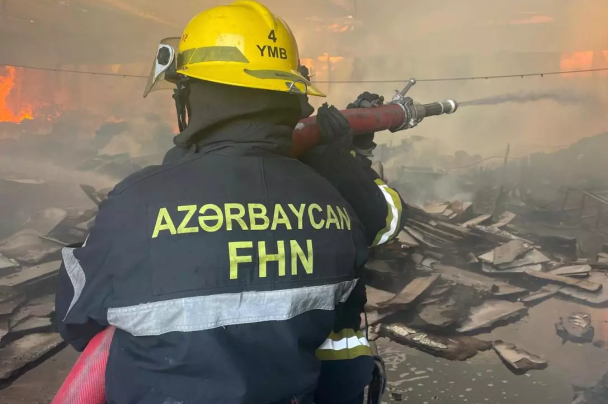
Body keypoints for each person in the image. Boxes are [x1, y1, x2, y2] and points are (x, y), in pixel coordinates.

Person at [54, 2, 405, 404]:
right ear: (290, 94)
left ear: (193, 95)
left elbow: (75, 320)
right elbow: (383, 224)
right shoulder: (333, 198)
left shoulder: (135, 202)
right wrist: (346, 160)